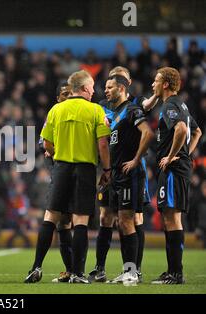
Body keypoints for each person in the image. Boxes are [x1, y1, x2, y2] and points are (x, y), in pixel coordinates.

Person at [38, 70, 111, 284]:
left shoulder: (56, 110)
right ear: (86, 88)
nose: (94, 91)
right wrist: (106, 170)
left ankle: (36, 267)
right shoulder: (96, 110)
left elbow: (46, 144)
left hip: (61, 167)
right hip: (85, 169)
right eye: (92, 87)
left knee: (51, 216)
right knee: (80, 221)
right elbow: (103, 144)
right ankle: (78, 273)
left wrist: (58, 153)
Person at [89, 66, 157, 283]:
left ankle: (133, 271)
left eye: (110, 87)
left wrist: (136, 159)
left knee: (130, 220)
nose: (105, 90)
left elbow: (148, 131)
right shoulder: (110, 110)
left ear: (122, 86)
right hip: (114, 172)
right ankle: (118, 269)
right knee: (116, 219)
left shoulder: (132, 108)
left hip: (130, 173)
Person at [150, 67, 202, 284]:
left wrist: (173, 156)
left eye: (156, 80)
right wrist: (185, 154)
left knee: (172, 218)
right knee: (169, 218)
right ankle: (172, 270)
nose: (153, 84)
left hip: (173, 170)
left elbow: (181, 129)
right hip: (177, 168)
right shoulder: (181, 104)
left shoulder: (170, 104)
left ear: (165, 84)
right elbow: (197, 131)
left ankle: (176, 273)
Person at [24, 82, 74, 283]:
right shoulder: (55, 113)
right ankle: (38, 267)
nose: (68, 97)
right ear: (57, 98)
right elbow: (43, 144)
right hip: (62, 173)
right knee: (58, 219)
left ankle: (70, 270)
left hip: (74, 173)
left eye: (71, 94)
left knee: (65, 222)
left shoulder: (77, 113)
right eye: (64, 94)